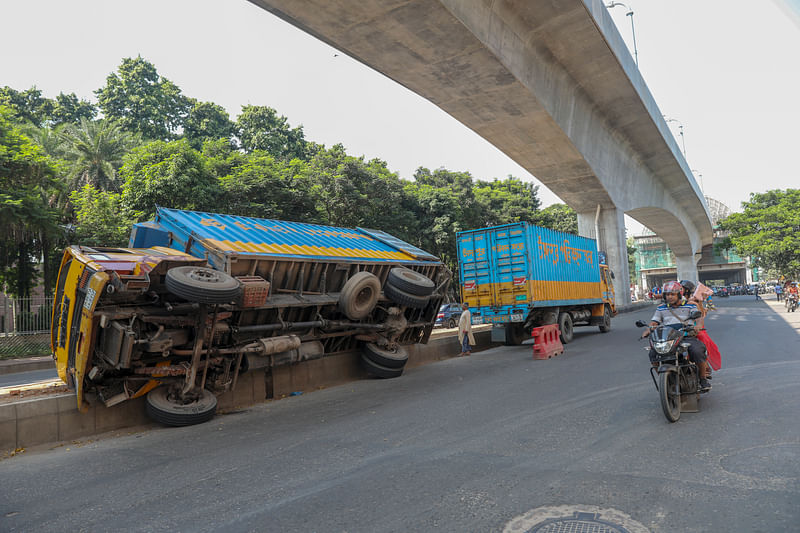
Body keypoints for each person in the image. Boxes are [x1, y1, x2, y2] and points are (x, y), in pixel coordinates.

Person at [641, 281, 711, 391]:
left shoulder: (690, 305)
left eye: (672, 294)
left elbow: (698, 319)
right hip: (668, 338)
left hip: (686, 336)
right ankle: (665, 380)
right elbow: (654, 322)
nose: (669, 297)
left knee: (697, 350)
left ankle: (703, 379)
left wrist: (698, 326)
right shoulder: (661, 308)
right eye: (667, 294)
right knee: (653, 353)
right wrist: (648, 330)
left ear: (679, 294)